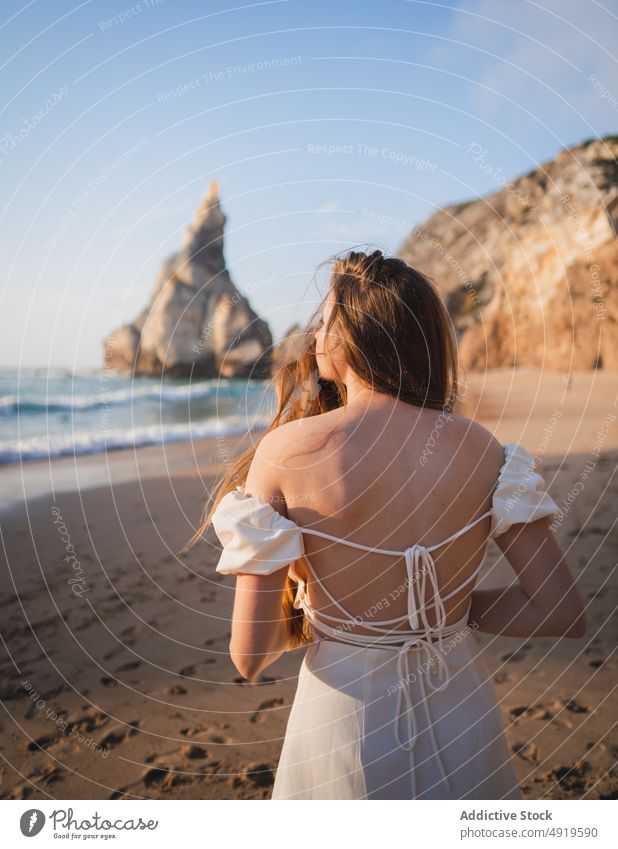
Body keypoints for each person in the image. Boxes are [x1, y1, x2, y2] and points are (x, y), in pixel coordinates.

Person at [188, 248, 586, 800]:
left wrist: (320, 613)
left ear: (350, 334)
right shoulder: (483, 449)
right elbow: (559, 610)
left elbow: (249, 655)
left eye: (324, 319)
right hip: (460, 701)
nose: (313, 334)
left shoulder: (287, 452)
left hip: (345, 719)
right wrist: (448, 609)